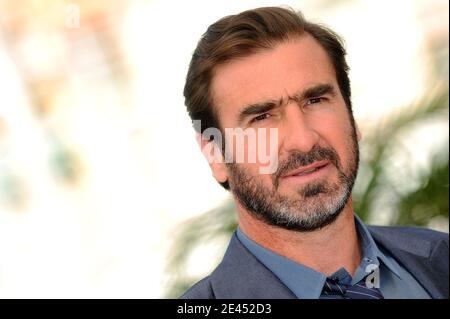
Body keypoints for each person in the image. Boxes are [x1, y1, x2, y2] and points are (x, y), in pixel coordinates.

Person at [181, 6, 449, 299]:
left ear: (350, 114)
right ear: (215, 155)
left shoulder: (441, 259)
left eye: (316, 100)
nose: (304, 140)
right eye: (261, 117)